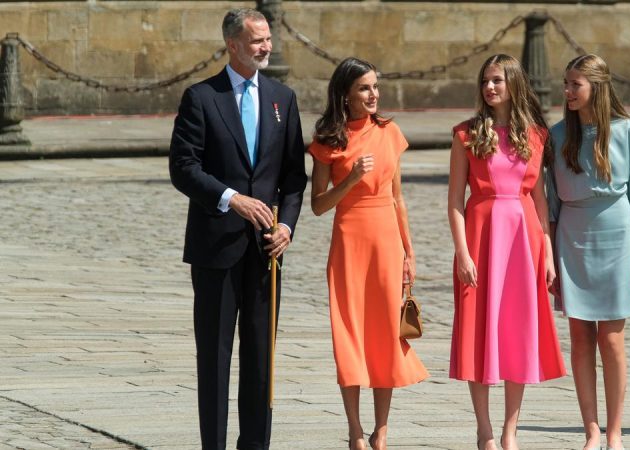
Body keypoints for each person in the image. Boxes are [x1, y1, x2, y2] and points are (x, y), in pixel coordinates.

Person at [168, 8, 307, 449]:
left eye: (268, 39)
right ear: (232, 44)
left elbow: (293, 178)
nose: (266, 47)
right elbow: (183, 167)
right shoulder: (201, 97)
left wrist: (286, 225)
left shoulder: (282, 98)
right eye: (256, 41)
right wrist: (232, 199)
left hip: (266, 252)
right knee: (215, 357)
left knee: (260, 360)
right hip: (215, 250)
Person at [308, 57, 428, 450]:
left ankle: (382, 430)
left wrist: (409, 252)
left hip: (386, 242)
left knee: (383, 335)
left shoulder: (390, 133)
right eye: (364, 87)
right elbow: (319, 205)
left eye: (375, 86)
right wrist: (353, 178)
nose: (373, 94)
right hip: (349, 240)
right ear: (346, 93)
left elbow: (398, 199)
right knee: (350, 333)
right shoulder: (328, 140)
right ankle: (355, 430)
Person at [447, 53, 567, 450]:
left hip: (523, 241)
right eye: (485, 81)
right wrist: (462, 253)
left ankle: (510, 432)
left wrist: (548, 254)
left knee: (518, 333)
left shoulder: (535, 136)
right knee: (478, 333)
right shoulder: (465, 134)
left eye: (497, 80)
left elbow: (540, 200)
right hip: (480, 239)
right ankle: (484, 431)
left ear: (514, 83)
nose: (490, 88)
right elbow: (453, 201)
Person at [547, 54, 630, 450]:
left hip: (616, 233)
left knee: (612, 338)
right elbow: (551, 204)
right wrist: (550, 256)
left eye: (577, 84)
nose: (569, 92)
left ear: (597, 87)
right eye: (566, 84)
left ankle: (615, 432)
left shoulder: (626, 131)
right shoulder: (557, 136)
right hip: (571, 235)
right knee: (580, 336)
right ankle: (590, 430)